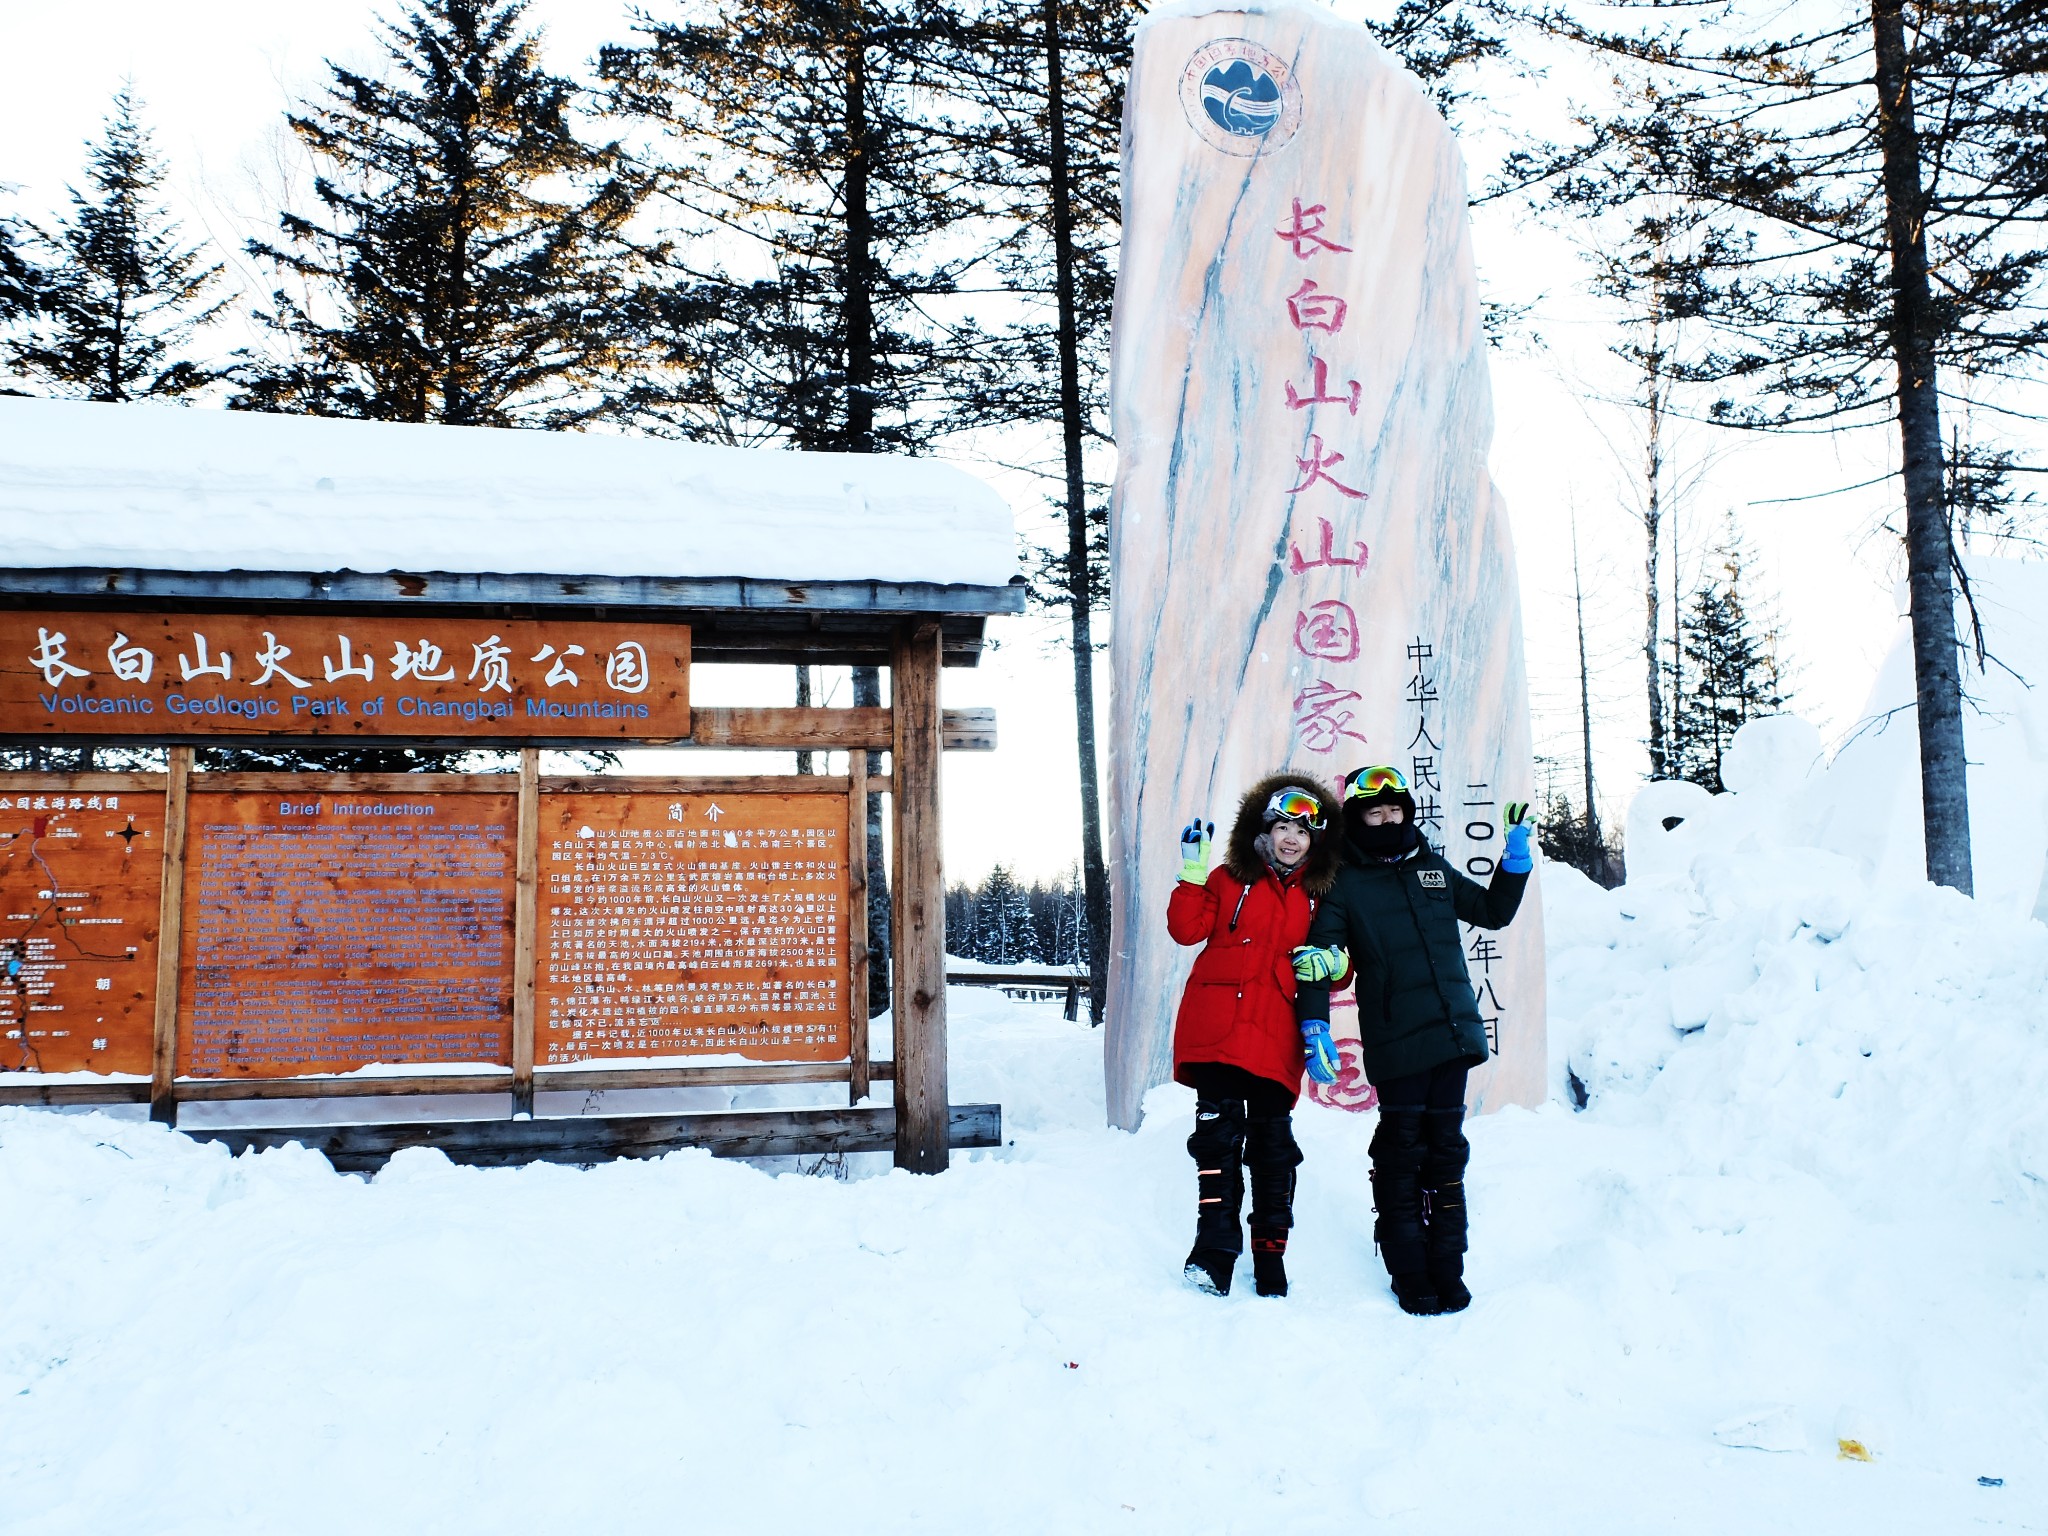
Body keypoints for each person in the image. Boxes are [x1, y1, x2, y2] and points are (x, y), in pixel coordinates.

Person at [1290, 764, 1533, 1316]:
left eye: (1394, 809)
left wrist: (1515, 857)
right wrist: (1315, 1026)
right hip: (1397, 1037)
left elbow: (1494, 912)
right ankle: (1408, 1267)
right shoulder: (1343, 883)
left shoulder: (1432, 868)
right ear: (1356, 819)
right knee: (1402, 1152)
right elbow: (1316, 964)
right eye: (1374, 811)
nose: (1386, 818)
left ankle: (1448, 1267)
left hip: (1451, 1031)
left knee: (1446, 1152)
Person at [1167, 772, 1342, 1299]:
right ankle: (1214, 1254)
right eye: (1284, 827)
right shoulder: (1227, 878)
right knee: (1217, 1145)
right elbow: (1185, 929)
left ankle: (1271, 1257)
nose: (1293, 839)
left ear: (1316, 843)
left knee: (1272, 1149)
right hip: (1218, 1029)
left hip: (1276, 1035)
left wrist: (1338, 962)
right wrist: (1193, 874)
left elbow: (1335, 964)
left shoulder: (1321, 897)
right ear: (1263, 829)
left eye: (1305, 833)